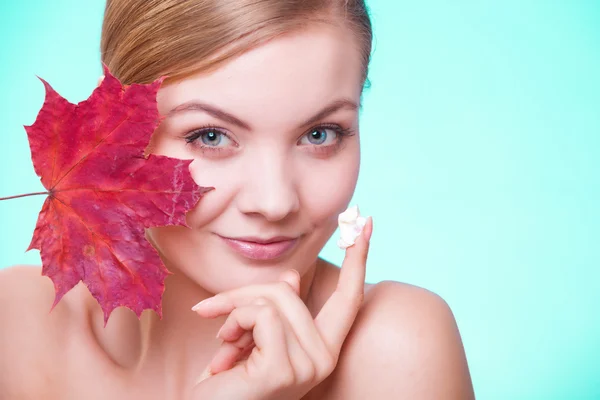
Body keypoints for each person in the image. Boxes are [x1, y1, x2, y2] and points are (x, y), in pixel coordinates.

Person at [0, 0, 475, 398]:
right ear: (115, 136)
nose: (274, 202)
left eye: (319, 133)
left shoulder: (397, 348)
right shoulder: (15, 331)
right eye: (210, 136)